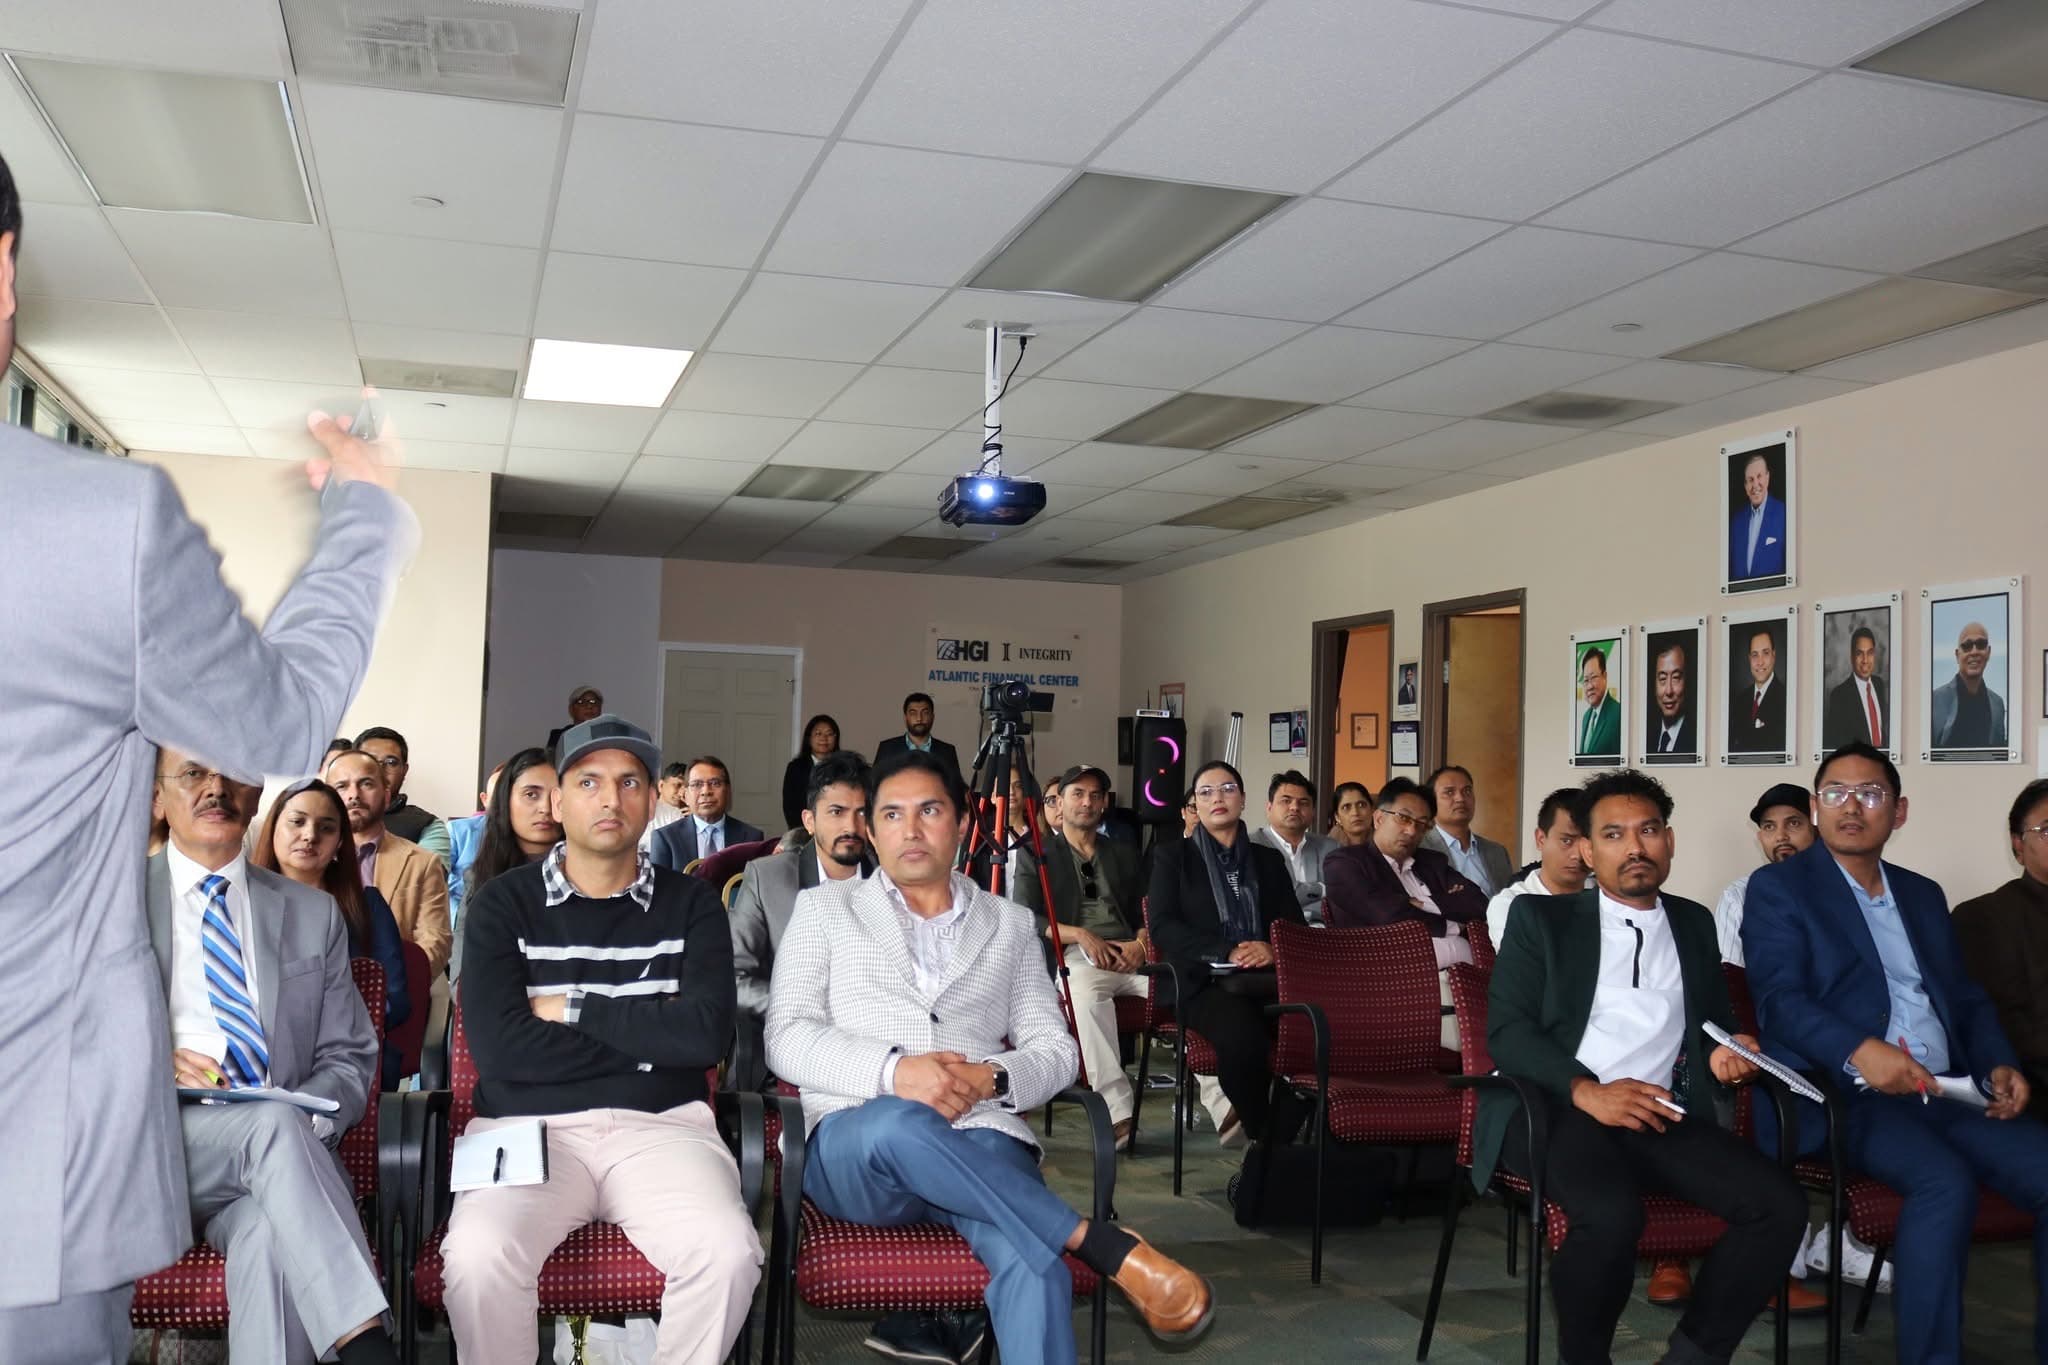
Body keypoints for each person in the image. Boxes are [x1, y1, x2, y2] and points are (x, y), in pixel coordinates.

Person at [0, 150, 416, 1359]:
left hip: (171, 1143)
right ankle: (366, 1330)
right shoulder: (93, 527)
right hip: (37, 1164)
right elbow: (277, 724)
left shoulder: (299, 910)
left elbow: (348, 1048)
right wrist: (362, 519)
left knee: (269, 1193)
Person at [767, 749, 1213, 1363]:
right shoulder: (823, 911)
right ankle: (1091, 1239)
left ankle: (1066, 1247)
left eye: (929, 810)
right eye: (891, 815)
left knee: (1038, 1272)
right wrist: (896, 1071)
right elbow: (786, 1035)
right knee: (902, 1119)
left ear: (962, 823)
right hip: (859, 1144)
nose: (911, 829)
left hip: (981, 1136)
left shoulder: (1006, 923)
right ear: (871, 830)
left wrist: (989, 1078)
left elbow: (1056, 1051)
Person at [445, 715, 761, 1364]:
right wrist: (648, 1032)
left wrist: (570, 1006)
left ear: (653, 799)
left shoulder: (694, 904)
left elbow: (703, 1036)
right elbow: (502, 1051)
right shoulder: (501, 905)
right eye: (588, 781)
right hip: (525, 1128)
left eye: (629, 782)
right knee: (478, 1259)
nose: (610, 798)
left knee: (728, 1252)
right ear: (558, 800)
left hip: (663, 1127)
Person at [1483, 769, 1808, 1365]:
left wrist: (1726, 1052)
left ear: (1669, 841)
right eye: (1612, 834)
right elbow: (1507, 1033)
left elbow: (1709, 1025)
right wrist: (1586, 1091)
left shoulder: (1691, 921)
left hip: (1655, 1111)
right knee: (1610, 1217)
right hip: (1553, 1107)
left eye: (1649, 830)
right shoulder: (1541, 920)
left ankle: (1694, 1354)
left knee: (1779, 1205)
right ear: (1585, 849)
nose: (1635, 848)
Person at [1744, 742, 2048, 1365]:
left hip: (1946, 1088)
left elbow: (1964, 1000)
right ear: (1815, 806)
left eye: (1871, 794)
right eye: (1835, 793)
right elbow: (1779, 1001)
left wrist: (1997, 1062)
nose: (1852, 806)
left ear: (1899, 811)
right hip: (1849, 1093)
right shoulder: (1779, 888)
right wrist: (1860, 1050)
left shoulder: (1922, 894)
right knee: (1944, 1185)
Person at [147, 749, 398, 1365]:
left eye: (233, 773)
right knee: (269, 1124)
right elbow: (62, 1046)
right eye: (193, 774)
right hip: (150, 1148)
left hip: (278, 1163)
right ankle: (366, 1344)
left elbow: (349, 1056)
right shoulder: (110, 904)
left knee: (269, 1239)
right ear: (157, 798)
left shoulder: (312, 912)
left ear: (259, 794)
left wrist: (302, 1125)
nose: (216, 788)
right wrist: (151, 1060)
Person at [1148, 761, 1306, 1148]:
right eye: (1206, 792)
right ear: (1195, 806)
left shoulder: (1267, 860)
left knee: (1318, 1031)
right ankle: (1266, 1137)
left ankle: (1285, 1135)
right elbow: (1162, 925)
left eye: (1227, 789)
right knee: (1244, 1039)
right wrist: (1226, 950)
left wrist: (1271, 948)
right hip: (1201, 983)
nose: (1217, 798)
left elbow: (1294, 925)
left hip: (1266, 978)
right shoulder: (1173, 857)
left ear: (1243, 799)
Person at [1015, 765, 1147, 1150]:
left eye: (1095, 795)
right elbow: (1026, 917)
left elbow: (1146, 910)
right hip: (1074, 951)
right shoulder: (1036, 853)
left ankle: (1225, 1105)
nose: (1086, 802)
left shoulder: (1121, 851)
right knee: (1087, 999)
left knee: (1188, 984)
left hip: (1130, 950)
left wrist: (1140, 944)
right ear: (1058, 802)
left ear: (1104, 803)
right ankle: (1118, 1112)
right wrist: (1081, 935)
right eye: (1078, 794)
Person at [252, 779, 413, 1090]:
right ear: (272, 829)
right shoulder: (239, 902)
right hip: (260, 1059)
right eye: (297, 822)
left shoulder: (368, 908)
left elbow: (395, 999)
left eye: (326, 828)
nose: (310, 835)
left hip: (348, 1059)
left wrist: (329, 1023)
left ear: (340, 843)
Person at [730, 750, 876, 1090]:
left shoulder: (891, 880)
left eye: (862, 813)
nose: (850, 827)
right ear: (809, 821)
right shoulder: (770, 879)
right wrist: (806, 1011)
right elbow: (732, 977)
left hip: (877, 1048)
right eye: (836, 812)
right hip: (794, 1050)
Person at [1325, 777, 1488, 1047]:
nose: (1412, 830)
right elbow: (1387, 918)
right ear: (1378, 818)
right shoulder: (1346, 863)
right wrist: (1454, 925)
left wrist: (1422, 903)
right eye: (1404, 818)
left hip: (1464, 978)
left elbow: (1478, 904)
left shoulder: (1432, 863)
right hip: (1392, 989)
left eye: (1421, 824)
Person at [1952, 778, 2048, 1100]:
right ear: (2018, 845)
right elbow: (1999, 1026)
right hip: (2031, 1084)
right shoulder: (1984, 917)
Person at [327, 748, 453, 975]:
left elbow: (435, 941)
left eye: (366, 784)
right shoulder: (311, 858)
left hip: (395, 992)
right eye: (341, 786)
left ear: (386, 796)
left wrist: (388, 983)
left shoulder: (421, 863)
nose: (353, 795)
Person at [452, 748, 560, 978]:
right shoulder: (481, 876)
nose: (546, 808)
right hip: (494, 1006)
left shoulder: (587, 876)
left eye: (557, 796)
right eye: (531, 794)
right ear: (505, 800)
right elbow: (463, 976)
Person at [1712, 783, 1815, 969]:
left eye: (1794, 823)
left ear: (1817, 829)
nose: (1780, 836)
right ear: (1760, 837)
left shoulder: (1845, 888)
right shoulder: (1738, 896)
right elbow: (1732, 982)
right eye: (1769, 826)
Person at [1484, 787, 1589, 951]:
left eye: (1587, 843)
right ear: (1540, 839)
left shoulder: (1605, 900)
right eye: (1566, 841)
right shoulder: (1510, 904)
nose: (1578, 854)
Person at [1252, 770, 1338, 925]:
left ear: (1313, 812)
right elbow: (1264, 899)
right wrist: (1321, 889)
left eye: (1303, 802)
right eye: (1286, 801)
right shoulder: (1251, 845)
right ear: (1269, 807)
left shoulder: (1330, 847)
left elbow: (1341, 896)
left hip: (1324, 933)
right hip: (1270, 935)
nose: (1294, 807)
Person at [648, 756, 765, 869]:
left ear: (728, 791)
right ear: (686, 795)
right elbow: (659, 888)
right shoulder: (666, 838)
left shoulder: (751, 838)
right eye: (697, 785)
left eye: (715, 783)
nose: (706, 791)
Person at [354, 725, 449, 860]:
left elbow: (423, 877)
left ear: (404, 771)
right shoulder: (332, 818)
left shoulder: (428, 826)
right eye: (370, 761)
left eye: (391, 762)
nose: (379, 770)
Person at [1422, 764, 1514, 897]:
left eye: (1467, 791)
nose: (1460, 798)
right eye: (1449, 792)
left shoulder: (1497, 852)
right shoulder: (1421, 850)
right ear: (1432, 802)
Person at [446, 758, 506, 927]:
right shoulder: (458, 831)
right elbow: (433, 883)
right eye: (498, 797)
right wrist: (457, 916)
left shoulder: (533, 839)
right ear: (485, 799)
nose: (504, 804)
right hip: (460, 921)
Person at [1931, 619, 2007, 749]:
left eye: (1981, 644)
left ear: (1988, 652)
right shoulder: (1934, 700)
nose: (1974, 651)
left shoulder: (1997, 704)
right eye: (1967, 646)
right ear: (1957, 655)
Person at [1822, 625, 1890, 750]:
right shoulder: (1839, 696)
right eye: (1860, 653)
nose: (1865, 660)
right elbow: (1839, 746)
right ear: (1852, 656)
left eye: (1869, 653)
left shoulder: (1879, 684)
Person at [874, 691, 963, 788]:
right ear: (905, 717)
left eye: (925, 713)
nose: (919, 718)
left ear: (932, 717)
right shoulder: (887, 748)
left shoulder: (947, 751)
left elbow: (956, 788)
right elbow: (873, 785)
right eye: (913, 713)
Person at [1728, 451, 1787, 581]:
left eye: (1759, 476)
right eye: (1750, 480)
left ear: (1767, 477)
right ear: (1745, 486)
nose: (1755, 485)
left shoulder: (1784, 513)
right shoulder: (1736, 522)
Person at [1731, 628, 1787, 754]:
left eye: (1765, 653)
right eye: (1755, 655)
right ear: (1749, 658)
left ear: (1774, 655)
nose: (1760, 662)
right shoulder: (1740, 700)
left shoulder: (1785, 698)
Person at [781, 714, 840, 831]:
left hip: (835, 828)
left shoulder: (843, 767)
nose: (824, 738)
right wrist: (802, 831)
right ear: (809, 738)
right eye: (818, 734)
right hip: (803, 829)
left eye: (829, 734)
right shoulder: (795, 767)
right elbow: (790, 805)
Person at [1646, 637, 1698, 757]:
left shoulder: (1696, 737)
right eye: (1662, 679)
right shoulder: (1647, 736)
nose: (1668, 691)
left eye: (1676, 677)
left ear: (1687, 680)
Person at [1577, 647, 1620, 758]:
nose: (1590, 686)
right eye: (1586, 680)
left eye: (1594, 677)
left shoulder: (1618, 713)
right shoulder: (1586, 717)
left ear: (1605, 676)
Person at [545, 683, 603, 756]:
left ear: (600, 708)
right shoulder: (559, 737)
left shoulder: (610, 734)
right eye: (581, 702)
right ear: (571, 710)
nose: (589, 706)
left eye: (593, 702)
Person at [1329, 781, 1373, 847]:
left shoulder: (1386, 845)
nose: (1355, 813)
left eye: (1361, 805)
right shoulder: (1325, 850)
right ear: (1337, 817)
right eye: (1346, 807)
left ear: (1372, 810)